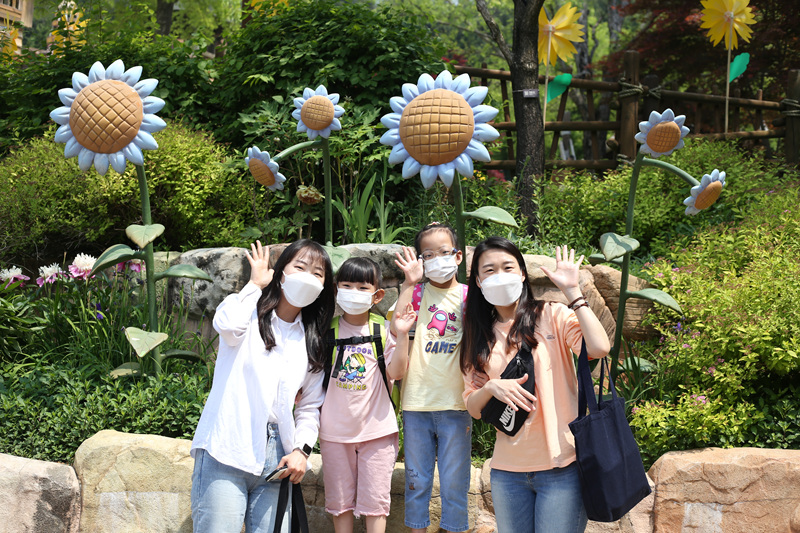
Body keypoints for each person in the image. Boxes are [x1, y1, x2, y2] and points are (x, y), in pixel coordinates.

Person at [461, 237, 611, 533]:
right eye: (489, 270)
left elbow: (599, 347)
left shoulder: (552, 315)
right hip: (507, 472)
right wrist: (490, 388)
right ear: (478, 281)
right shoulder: (477, 336)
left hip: (562, 467)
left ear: (521, 274)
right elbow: (474, 408)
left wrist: (573, 292)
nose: (499, 275)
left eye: (507, 267)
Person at [190, 239, 335, 533]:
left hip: (278, 460)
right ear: (280, 273)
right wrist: (254, 285)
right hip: (227, 447)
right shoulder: (246, 312)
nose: (308, 277)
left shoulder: (313, 340)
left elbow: (310, 406)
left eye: (318, 273)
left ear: (323, 287)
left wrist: (302, 450)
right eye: (300, 267)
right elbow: (228, 326)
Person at [318, 257, 415, 533]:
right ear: (336, 289)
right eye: (347, 285)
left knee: (376, 504)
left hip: (377, 432)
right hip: (335, 433)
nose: (354, 292)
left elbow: (397, 372)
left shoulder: (381, 330)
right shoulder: (327, 330)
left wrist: (403, 336)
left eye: (362, 287)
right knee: (340, 504)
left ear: (377, 295)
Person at [387, 222, 471, 533]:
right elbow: (397, 325)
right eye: (428, 255)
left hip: (457, 404)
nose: (437, 259)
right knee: (416, 482)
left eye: (443, 252)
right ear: (421, 260)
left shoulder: (469, 297)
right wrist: (408, 283)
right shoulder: (417, 294)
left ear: (458, 256)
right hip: (416, 404)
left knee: (455, 484)